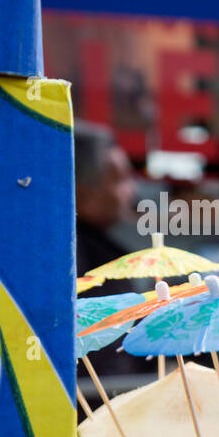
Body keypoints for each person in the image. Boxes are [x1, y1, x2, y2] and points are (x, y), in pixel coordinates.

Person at [74, 121, 143, 378]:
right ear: (82, 193)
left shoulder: (100, 249)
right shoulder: (76, 262)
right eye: (119, 180)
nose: (131, 191)